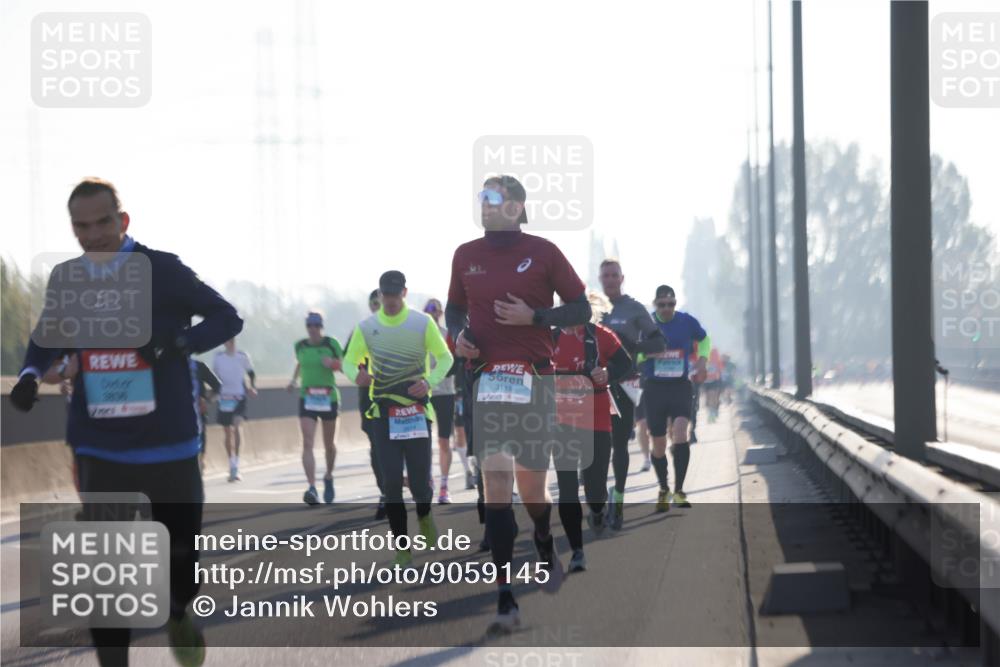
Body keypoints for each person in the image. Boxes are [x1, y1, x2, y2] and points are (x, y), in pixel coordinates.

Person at [9, 177, 243, 667]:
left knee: (181, 564)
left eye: (102, 223)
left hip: (169, 445)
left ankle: (179, 610)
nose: (92, 235)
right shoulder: (68, 278)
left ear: (124, 221)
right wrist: (31, 374)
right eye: (81, 226)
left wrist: (174, 346)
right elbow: (46, 337)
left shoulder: (164, 270)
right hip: (101, 446)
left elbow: (226, 318)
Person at [446, 174, 591, 635]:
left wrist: (537, 318)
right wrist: (460, 336)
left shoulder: (544, 252)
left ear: (515, 206)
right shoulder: (465, 255)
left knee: (532, 491)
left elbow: (582, 309)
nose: (484, 205)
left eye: (492, 198)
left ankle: (545, 540)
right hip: (487, 381)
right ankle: (506, 599)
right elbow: (453, 309)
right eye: (481, 198)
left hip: (536, 382)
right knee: (495, 484)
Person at [342, 271, 453, 567]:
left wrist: (429, 383)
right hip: (383, 413)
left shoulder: (422, 323)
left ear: (404, 293)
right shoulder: (367, 327)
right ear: (379, 295)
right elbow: (348, 362)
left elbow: (446, 359)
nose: (389, 301)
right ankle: (402, 547)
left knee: (419, 484)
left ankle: (425, 515)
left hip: (416, 412)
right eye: (384, 295)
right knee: (391, 482)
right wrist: (359, 376)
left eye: (394, 294)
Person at [551, 292, 631, 569]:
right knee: (567, 488)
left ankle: (598, 510)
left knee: (594, 486)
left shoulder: (601, 336)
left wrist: (608, 374)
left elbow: (626, 362)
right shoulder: (549, 339)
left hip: (596, 419)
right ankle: (576, 551)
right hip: (561, 421)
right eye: (564, 309)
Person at [597, 259, 665, 530]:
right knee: (595, 446)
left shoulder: (634, 308)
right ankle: (599, 500)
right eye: (606, 276)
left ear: (622, 278)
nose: (610, 280)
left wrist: (633, 345)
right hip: (595, 386)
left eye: (614, 275)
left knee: (620, 444)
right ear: (600, 279)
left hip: (624, 384)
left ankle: (620, 498)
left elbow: (659, 343)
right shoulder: (592, 308)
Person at [638, 285, 710, 511]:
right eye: (662, 305)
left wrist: (702, 361)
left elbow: (705, 339)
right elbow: (634, 353)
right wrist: (650, 353)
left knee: (681, 432)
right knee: (658, 443)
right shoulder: (646, 325)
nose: (667, 309)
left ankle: (679, 490)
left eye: (671, 304)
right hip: (654, 388)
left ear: (675, 303)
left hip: (680, 385)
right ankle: (663, 488)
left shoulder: (687, 321)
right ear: (655, 304)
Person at [287, 312, 343, 505]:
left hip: (329, 398)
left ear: (322, 326)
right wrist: (293, 381)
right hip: (307, 397)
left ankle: (328, 476)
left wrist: (334, 363)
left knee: (329, 445)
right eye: (309, 325)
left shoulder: (331, 344)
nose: (313, 328)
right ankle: (312, 487)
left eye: (316, 325)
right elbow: (300, 364)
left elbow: (346, 367)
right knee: (307, 443)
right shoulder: (300, 346)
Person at [349, 290, 388, 519]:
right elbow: (348, 361)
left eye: (381, 302)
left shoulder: (402, 328)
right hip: (370, 397)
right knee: (376, 446)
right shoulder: (361, 330)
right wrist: (357, 373)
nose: (378, 306)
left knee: (397, 444)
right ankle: (385, 493)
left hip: (396, 396)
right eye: (374, 303)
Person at [423, 298, 463, 504]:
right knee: (424, 441)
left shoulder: (447, 335)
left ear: (440, 313)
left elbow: (457, 364)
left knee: (444, 441)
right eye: (427, 310)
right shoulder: (418, 334)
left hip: (445, 393)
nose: (430, 313)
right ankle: (428, 480)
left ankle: (444, 486)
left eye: (434, 310)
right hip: (424, 394)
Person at [212, 338, 256, 481]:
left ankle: (236, 464)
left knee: (237, 427)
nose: (229, 342)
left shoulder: (242, 356)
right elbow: (215, 377)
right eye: (226, 340)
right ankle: (231, 465)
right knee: (227, 433)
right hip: (224, 398)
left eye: (231, 339)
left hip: (239, 397)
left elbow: (251, 373)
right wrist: (213, 393)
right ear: (224, 342)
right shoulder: (218, 358)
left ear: (235, 340)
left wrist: (252, 387)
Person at [191, 358, 222, 472]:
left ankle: (201, 465)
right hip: (178, 416)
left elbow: (218, 387)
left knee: (200, 443)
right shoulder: (169, 366)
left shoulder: (199, 366)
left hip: (198, 415)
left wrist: (206, 400)